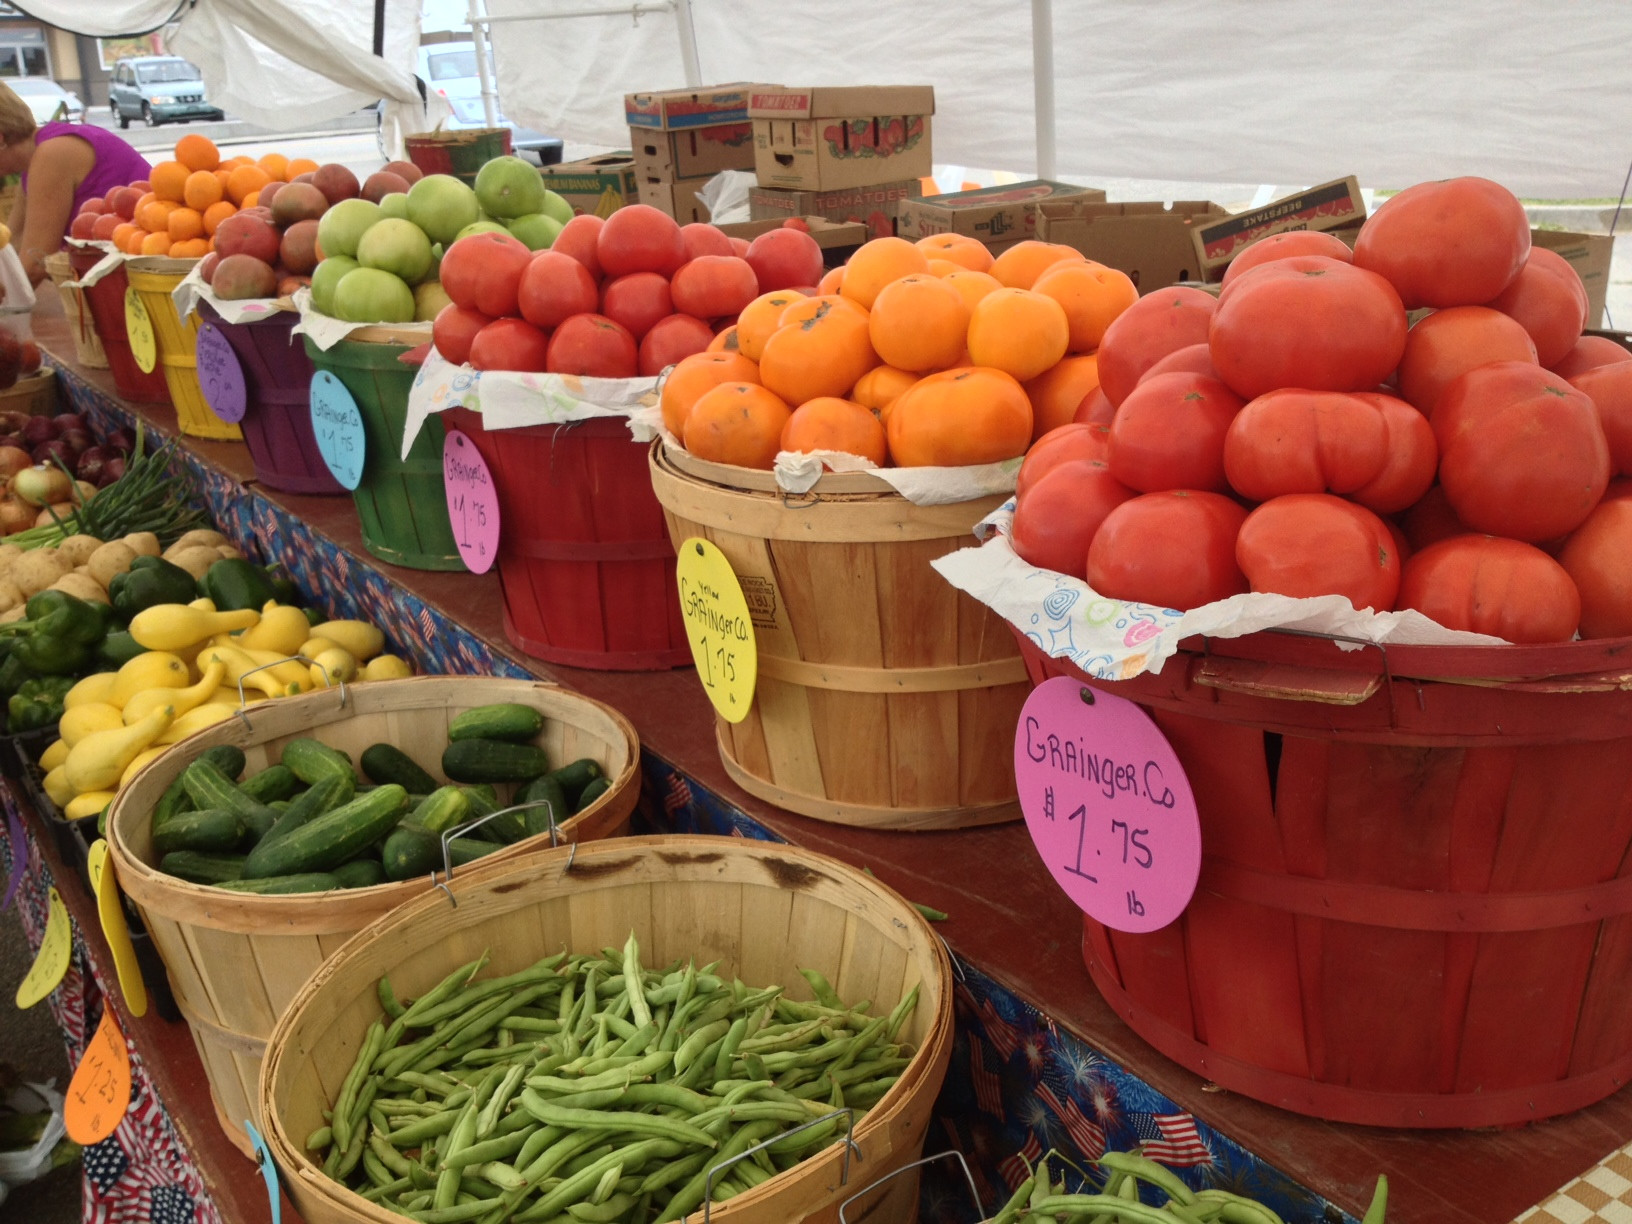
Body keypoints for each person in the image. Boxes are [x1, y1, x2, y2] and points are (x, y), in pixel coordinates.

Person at [0, 82, 152, 287]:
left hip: (148, 277)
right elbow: (10, 247)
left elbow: (34, 264)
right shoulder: (35, 160)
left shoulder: (53, 154)